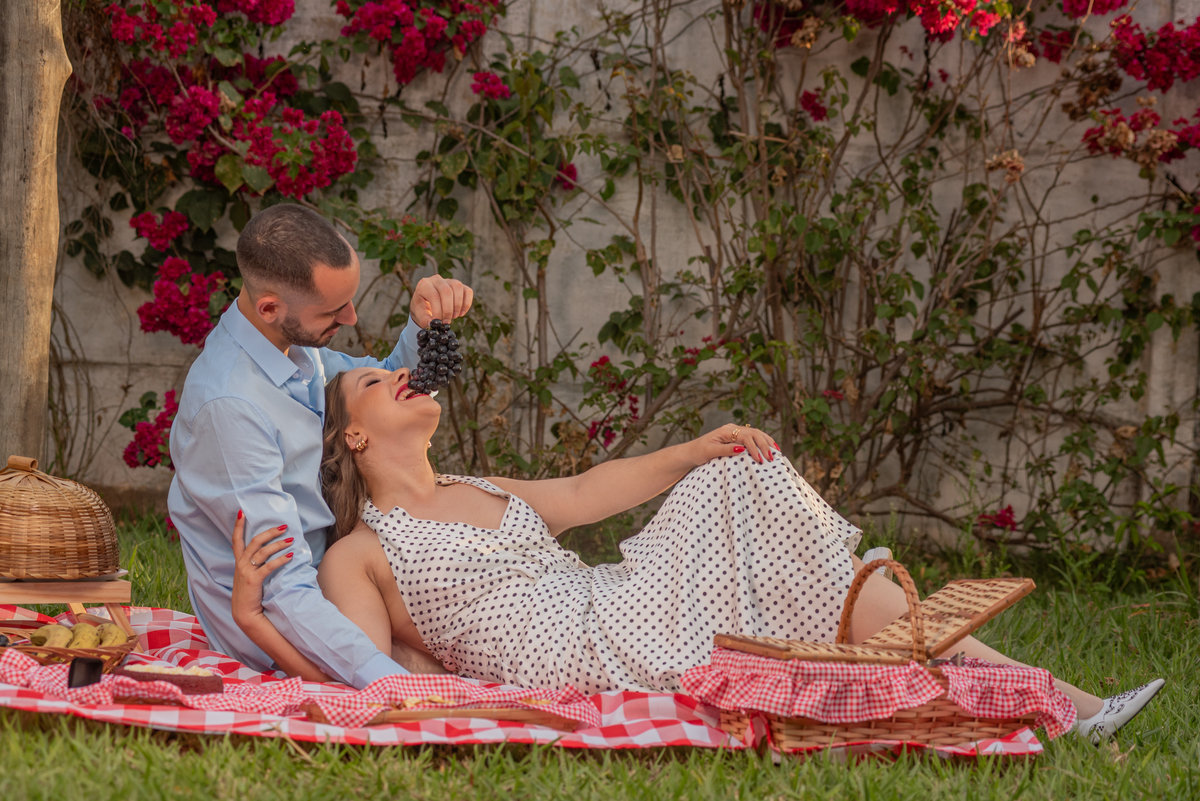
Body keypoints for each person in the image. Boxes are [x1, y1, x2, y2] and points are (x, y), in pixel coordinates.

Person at [230, 364, 1165, 741]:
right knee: (792, 544)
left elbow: (590, 491)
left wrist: (695, 446)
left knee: (741, 479)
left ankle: (1055, 698)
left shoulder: (483, 484)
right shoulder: (360, 552)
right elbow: (366, 679)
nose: (403, 372)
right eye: (375, 379)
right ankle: (1058, 699)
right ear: (353, 435)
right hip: (583, 651)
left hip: (610, 602)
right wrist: (250, 615)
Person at [169, 204, 472, 688]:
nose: (351, 318)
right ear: (270, 309)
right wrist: (388, 681)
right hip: (283, 633)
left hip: (340, 582)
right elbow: (282, 587)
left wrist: (420, 325)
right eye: (334, 311)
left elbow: (380, 389)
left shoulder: (291, 346)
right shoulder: (231, 407)